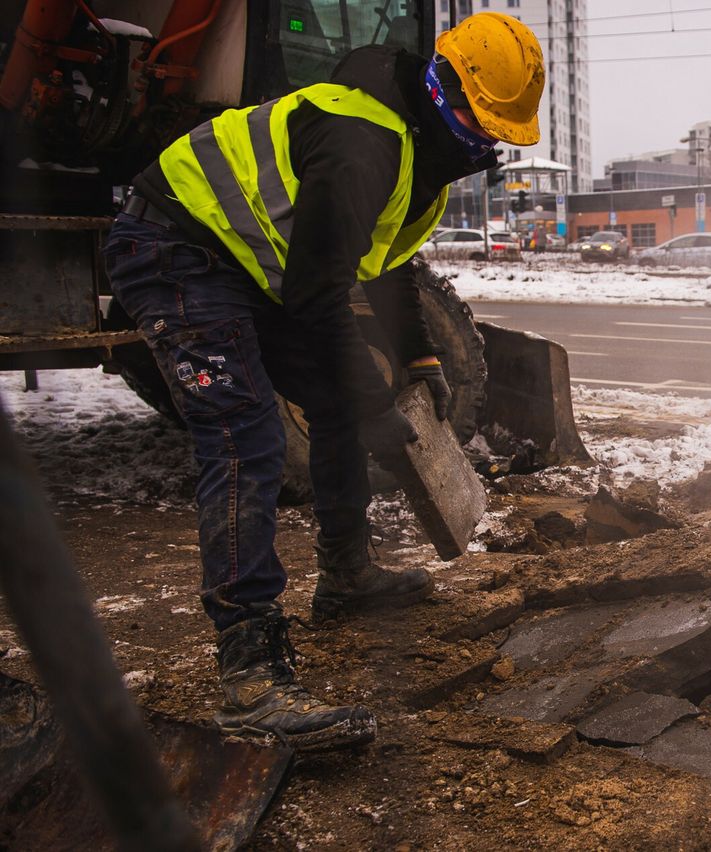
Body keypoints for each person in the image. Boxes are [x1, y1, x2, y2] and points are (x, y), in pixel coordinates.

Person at [103, 13, 544, 752]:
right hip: (175, 245)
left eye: (497, 128)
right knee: (247, 432)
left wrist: (420, 360)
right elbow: (317, 294)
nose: (484, 139)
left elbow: (388, 260)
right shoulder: (361, 143)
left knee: (337, 399)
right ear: (442, 89)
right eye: (478, 119)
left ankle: (346, 575)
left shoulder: (411, 148)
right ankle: (250, 674)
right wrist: (375, 407)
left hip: (244, 264)